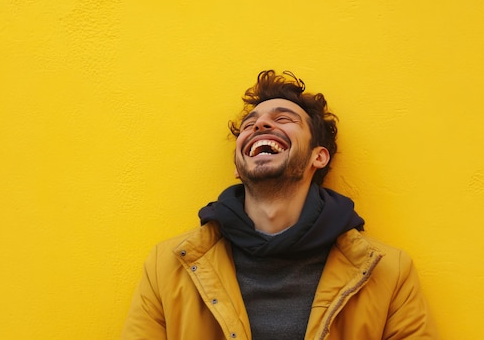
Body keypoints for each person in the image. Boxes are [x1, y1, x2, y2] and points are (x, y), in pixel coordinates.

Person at [121, 70, 438, 340]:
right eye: (250, 124)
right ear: (237, 163)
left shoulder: (388, 273)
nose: (259, 126)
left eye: (283, 119)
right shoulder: (168, 267)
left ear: (319, 156)